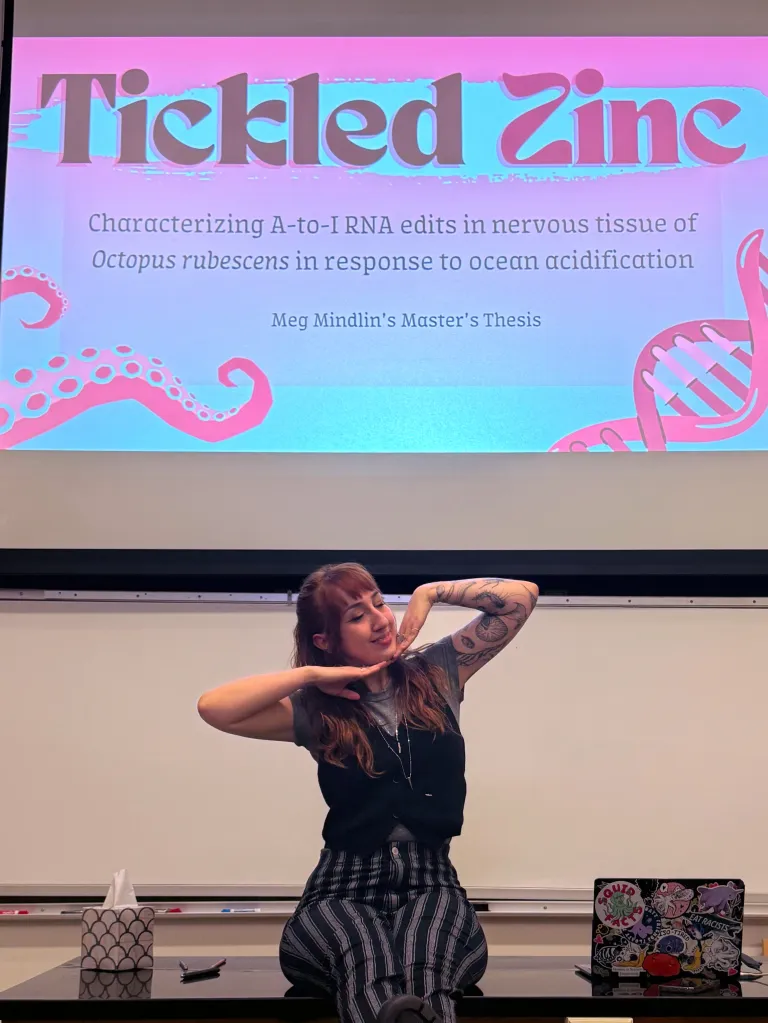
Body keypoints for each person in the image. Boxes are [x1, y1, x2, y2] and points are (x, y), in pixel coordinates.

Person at [197, 564, 538, 1023]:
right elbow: (214, 708)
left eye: (378, 602)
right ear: (325, 639)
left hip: (432, 881)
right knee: (367, 957)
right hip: (340, 889)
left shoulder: (436, 673)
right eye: (357, 615)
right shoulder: (315, 709)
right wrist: (311, 676)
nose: (379, 619)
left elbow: (521, 597)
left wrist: (429, 592)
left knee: (425, 961)